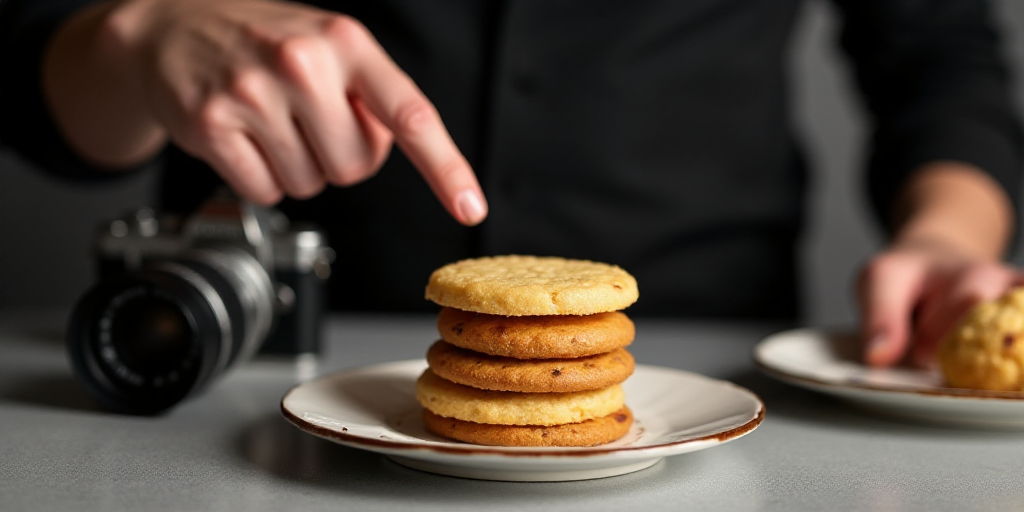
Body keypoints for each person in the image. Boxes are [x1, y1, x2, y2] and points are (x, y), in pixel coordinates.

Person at [1, 0, 1021, 368]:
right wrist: (138, 39)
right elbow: (33, 69)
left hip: (708, 371)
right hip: (247, 362)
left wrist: (943, 237)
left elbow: (938, 58)